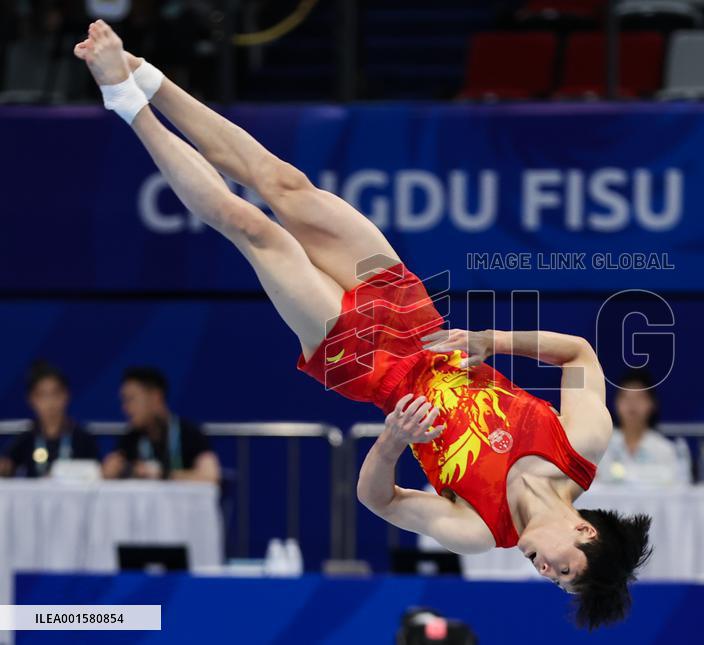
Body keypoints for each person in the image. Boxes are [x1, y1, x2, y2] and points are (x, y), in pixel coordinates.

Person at [72, 21, 650, 628]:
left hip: (366, 365)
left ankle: (124, 100)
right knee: (284, 183)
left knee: (256, 230)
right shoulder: (581, 447)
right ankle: (143, 72)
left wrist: (396, 438)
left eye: (555, 584)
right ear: (584, 531)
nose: (545, 573)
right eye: (565, 571)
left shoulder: (481, 531)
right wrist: (492, 340)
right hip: (414, 315)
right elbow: (581, 356)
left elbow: (380, 500)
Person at [102, 366, 220, 483]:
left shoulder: (190, 433)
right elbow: (109, 471)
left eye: (131, 399)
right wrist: (108, 473)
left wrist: (163, 475)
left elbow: (210, 476)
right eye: (124, 400)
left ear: (156, 397)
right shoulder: (129, 438)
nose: (125, 408)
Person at [0, 361, 99, 478]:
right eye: (42, 395)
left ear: (66, 395)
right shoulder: (25, 440)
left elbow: (96, 477)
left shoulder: (84, 440)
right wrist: (4, 468)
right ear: (31, 399)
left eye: (55, 393)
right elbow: (6, 468)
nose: (50, 403)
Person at [596, 369, 678, 486]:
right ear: (616, 403)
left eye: (639, 397)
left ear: (652, 404)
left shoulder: (664, 450)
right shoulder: (601, 447)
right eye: (626, 397)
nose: (632, 404)